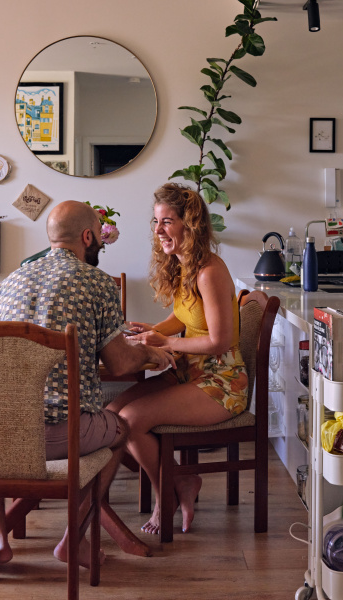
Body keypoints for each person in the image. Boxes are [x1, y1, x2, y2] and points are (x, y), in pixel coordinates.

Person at [0, 200, 175, 569]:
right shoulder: (97, 283)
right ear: (88, 237)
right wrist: (149, 354)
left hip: (1, 431)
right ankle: (73, 539)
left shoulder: (9, 282)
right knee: (120, 429)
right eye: (99, 240)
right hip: (67, 435)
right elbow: (120, 364)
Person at [107, 183, 248, 535]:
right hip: (189, 372)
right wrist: (150, 330)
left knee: (130, 421)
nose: (158, 231)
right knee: (111, 416)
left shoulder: (209, 271)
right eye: (156, 222)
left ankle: (164, 496)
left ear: (191, 224)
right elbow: (184, 317)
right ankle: (182, 480)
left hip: (221, 383)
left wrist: (166, 342)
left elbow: (220, 340)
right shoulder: (185, 265)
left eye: (167, 222)